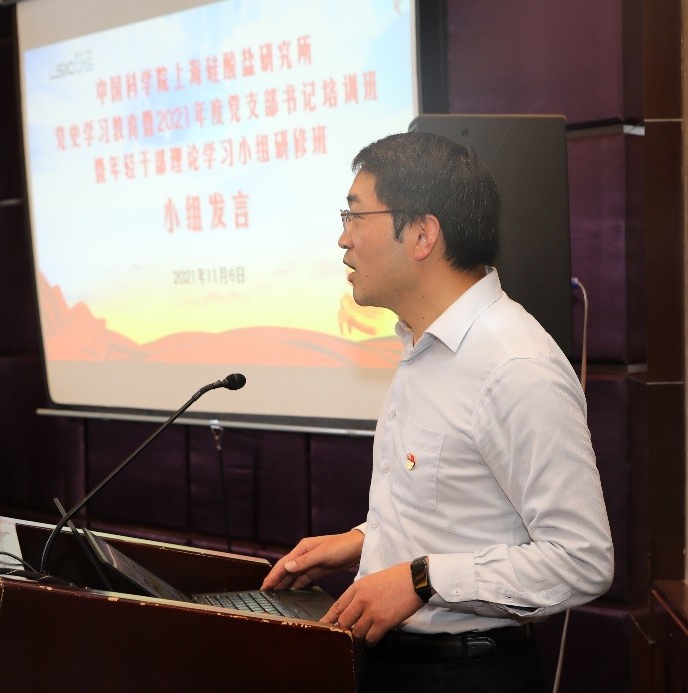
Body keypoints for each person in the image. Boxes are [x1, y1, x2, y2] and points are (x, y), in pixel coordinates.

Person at [261, 131, 613, 692]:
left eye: (355, 216)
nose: (343, 239)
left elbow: (582, 560)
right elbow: (459, 507)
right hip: (392, 664)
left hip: (466, 674)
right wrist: (365, 539)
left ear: (423, 234)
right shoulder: (424, 344)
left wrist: (422, 580)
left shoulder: (514, 364)